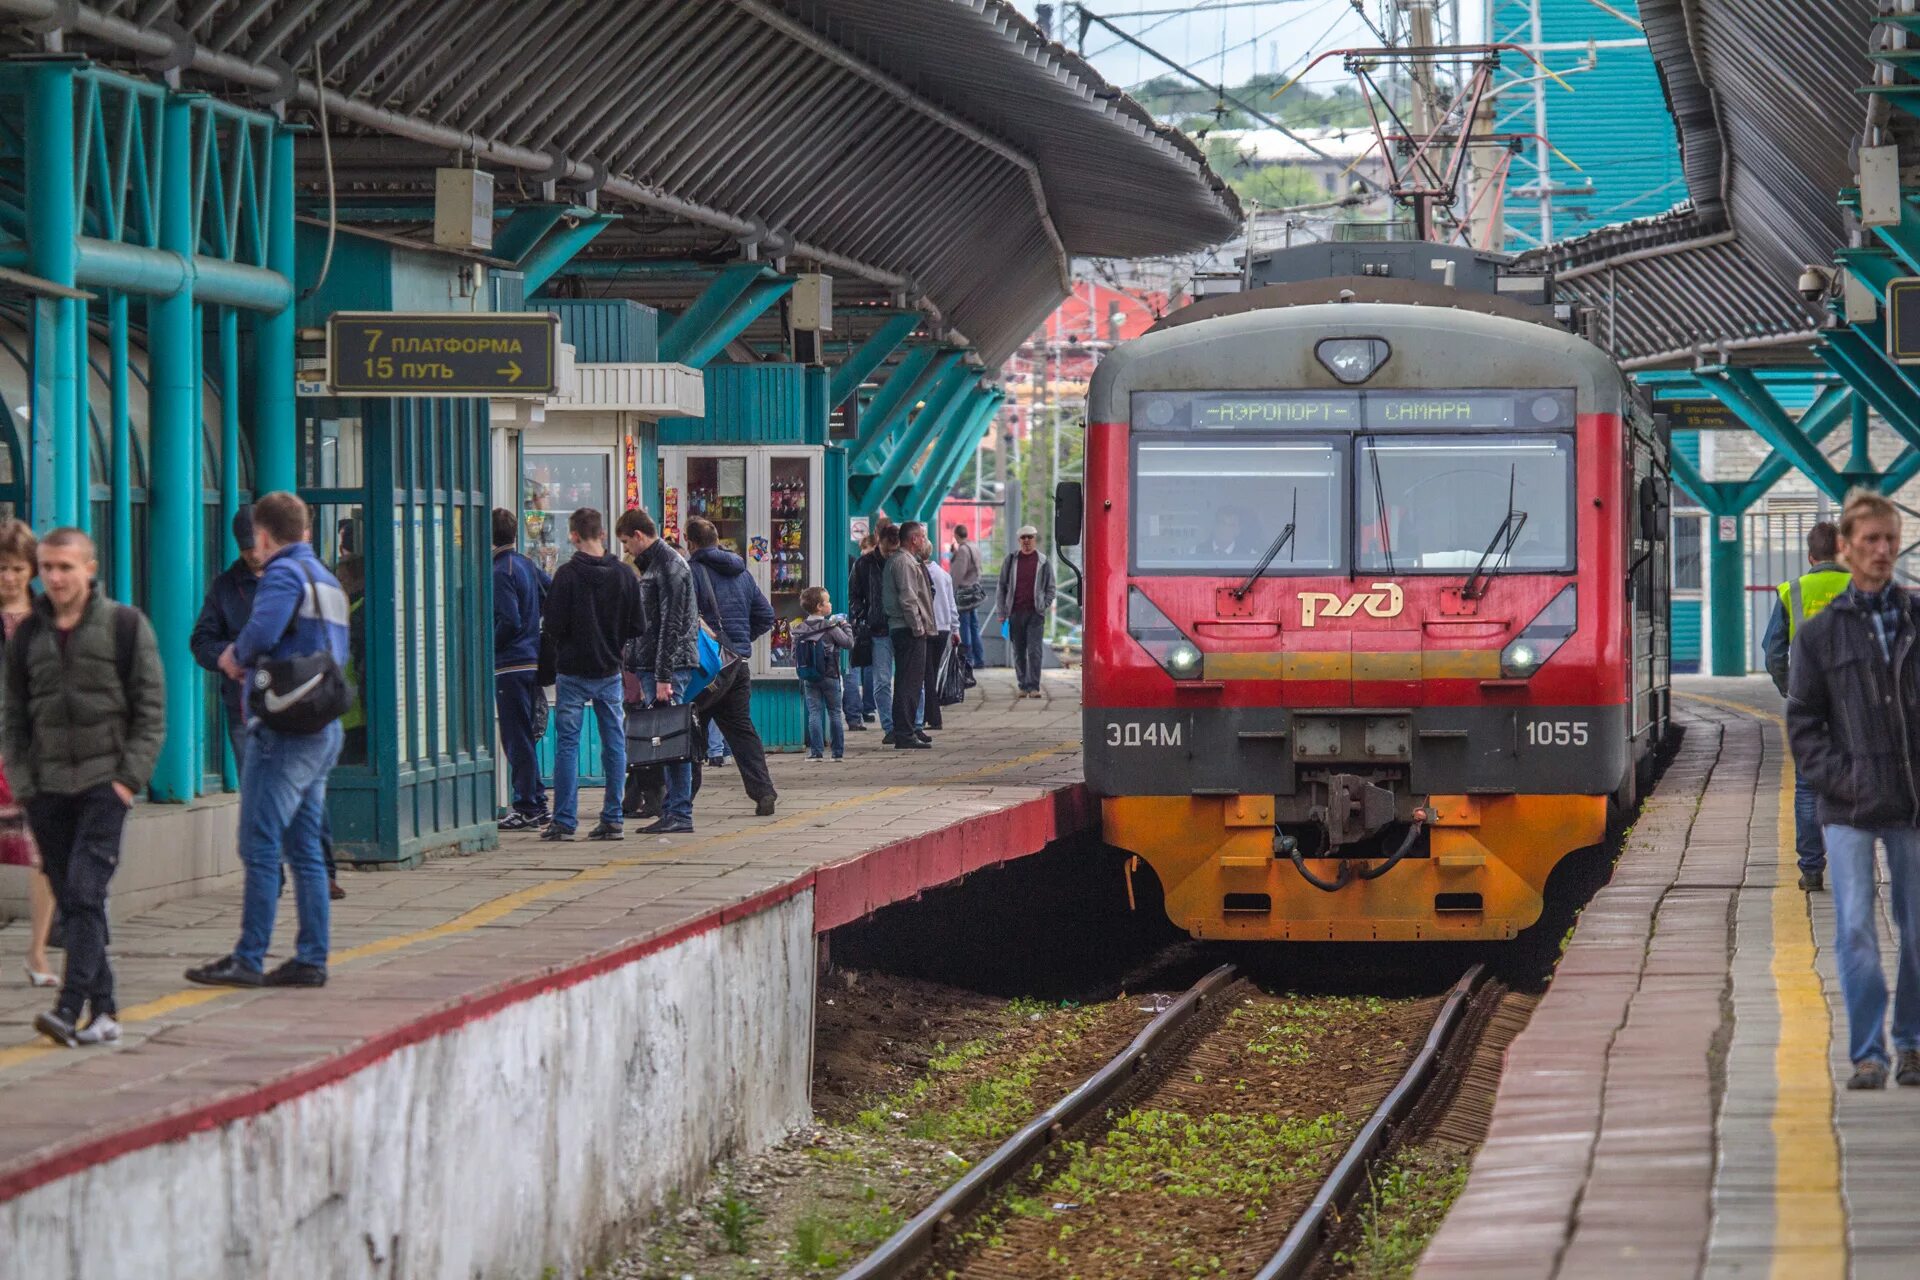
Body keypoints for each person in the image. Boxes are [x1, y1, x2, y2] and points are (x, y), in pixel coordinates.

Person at [185, 493, 348, 991]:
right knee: (304, 848)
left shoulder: (282, 574)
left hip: (284, 727)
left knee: (258, 841)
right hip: (323, 724)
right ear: (304, 531)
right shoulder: (325, 576)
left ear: (261, 535)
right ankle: (310, 957)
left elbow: (261, 632)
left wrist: (236, 656)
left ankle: (249, 956)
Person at [1786, 489, 1920, 1091]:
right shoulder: (1819, 636)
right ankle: (1868, 1052)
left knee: (1916, 927)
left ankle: (1911, 1043)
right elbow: (1804, 723)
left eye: (1889, 539)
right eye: (1870, 540)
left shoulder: (1918, 620)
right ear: (1845, 548)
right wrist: (1843, 779)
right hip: (1848, 805)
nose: (1882, 550)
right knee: (1856, 927)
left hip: (1913, 803)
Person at [7, 529, 163, 1044]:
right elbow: (13, 717)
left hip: (104, 784)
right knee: (76, 900)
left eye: (65, 567)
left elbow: (150, 711)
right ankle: (106, 1009)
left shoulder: (124, 625)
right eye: (47, 567)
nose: (54, 577)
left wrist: (126, 781)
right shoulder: (29, 636)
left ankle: (68, 1007)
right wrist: (25, 784)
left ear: (89, 568)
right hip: (47, 788)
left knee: (84, 889)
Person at [540, 507, 642, 842]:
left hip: (571, 670)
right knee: (614, 741)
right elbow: (636, 626)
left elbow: (552, 626)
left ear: (573, 535)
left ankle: (565, 821)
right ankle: (613, 817)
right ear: (602, 534)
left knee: (567, 744)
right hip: (610, 669)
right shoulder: (625, 575)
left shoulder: (567, 576)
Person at [1764, 520, 1847, 891]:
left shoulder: (1792, 591)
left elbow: (1773, 652)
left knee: (1808, 787)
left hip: (1809, 701)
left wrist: (1790, 688)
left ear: (1811, 556)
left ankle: (1811, 870)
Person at [686, 516, 779, 815]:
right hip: (737, 665)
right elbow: (766, 616)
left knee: (688, 728)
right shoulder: (743, 573)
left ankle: (681, 798)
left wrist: (717, 646)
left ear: (691, 543)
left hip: (707, 668)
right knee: (741, 730)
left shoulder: (692, 572)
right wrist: (738, 643)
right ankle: (763, 793)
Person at [616, 508, 699, 834]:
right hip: (657, 666)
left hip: (667, 668)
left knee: (672, 741)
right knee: (665, 741)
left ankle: (679, 812)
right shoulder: (658, 565)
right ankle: (673, 810)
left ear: (639, 535)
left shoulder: (668, 567)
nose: (627, 550)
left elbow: (671, 626)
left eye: (627, 542)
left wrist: (664, 676)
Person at [0, 521, 54, 989]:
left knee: (44, 854)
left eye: (18, 568)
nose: (9, 578)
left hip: (35, 750)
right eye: (2, 569)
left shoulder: (46, 618)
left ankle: (38, 951)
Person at [492, 507, 551, 831]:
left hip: (511, 664)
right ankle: (537, 801)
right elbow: (550, 590)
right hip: (531, 659)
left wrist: (489, 645)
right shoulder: (526, 564)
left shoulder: (500, 571)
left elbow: (509, 619)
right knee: (525, 735)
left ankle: (527, 805)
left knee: (516, 738)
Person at [883, 521, 937, 749]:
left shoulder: (901, 560)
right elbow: (908, 598)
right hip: (908, 629)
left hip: (902, 628)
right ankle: (905, 733)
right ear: (914, 539)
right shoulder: (904, 562)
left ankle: (903, 730)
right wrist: (918, 628)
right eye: (922, 537)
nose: (924, 541)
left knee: (907, 682)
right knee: (909, 683)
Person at [793, 586, 853, 762]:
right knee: (834, 712)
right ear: (819, 607)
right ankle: (837, 753)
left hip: (809, 675)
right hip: (830, 675)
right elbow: (848, 643)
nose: (830, 604)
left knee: (814, 713)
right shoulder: (829, 626)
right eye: (827, 601)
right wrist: (845, 625)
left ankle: (816, 752)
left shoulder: (800, 628)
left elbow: (794, 654)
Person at [997, 525, 1056, 698]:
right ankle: (1023, 684)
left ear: (1035, 539)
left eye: (1030, 537)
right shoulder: (1011, 560)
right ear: (1019, 540)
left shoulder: (1043, 562)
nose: (1026, 541)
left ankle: (1034, 686)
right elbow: (1002, 587)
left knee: (1034, 651)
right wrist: (1002, 612)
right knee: (1019, 651)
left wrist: (1044, 603)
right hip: (1015, 612)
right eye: (1023, 538)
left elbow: (1051, 587)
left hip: (1035, 613)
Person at [843, 532, 878, 731]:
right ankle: (864, 710)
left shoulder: (852, 563)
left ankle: (856, 714)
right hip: (864, 623)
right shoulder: (864, 565)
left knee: (853, 669)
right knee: (863, 668)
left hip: (855, 620)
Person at [925, 541, 960, 733]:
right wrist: (955, 629)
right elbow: (952, 605)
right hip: (944, 628)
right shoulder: (944, 575)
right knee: (932, 671)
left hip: (927, 627)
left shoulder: (920, 573)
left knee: (926, 674)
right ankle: (931, 714)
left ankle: (932, 715)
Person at [949, 525, 987, 669]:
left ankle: (968, 659)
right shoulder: (974, 547)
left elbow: (958, 573)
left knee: (964, 626)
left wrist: (951, 591)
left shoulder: (963, 550)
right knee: (974, 626)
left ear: (956, 535)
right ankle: (979, 658)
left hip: (964, 593)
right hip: (974, 591)